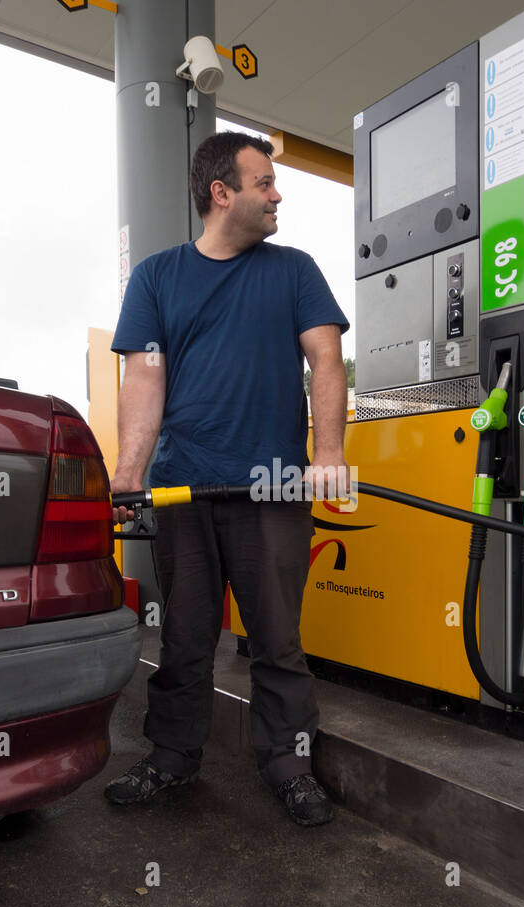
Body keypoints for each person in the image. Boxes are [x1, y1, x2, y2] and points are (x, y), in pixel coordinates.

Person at [105, 131, 350, 826]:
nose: (277, 194)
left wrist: (328, 454)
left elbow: (325, 360)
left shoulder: (294, 270)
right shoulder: (157, 277)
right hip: (186, 488)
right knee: (183, 637)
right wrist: (129, 474)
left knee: (277, 638)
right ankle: (171, 759)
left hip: (273, 488)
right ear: (222, 193)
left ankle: (289, 766)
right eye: (264, 182)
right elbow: (145, 376)